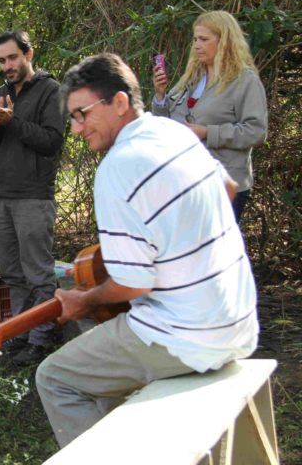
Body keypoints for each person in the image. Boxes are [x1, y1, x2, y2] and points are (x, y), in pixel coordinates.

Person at [36, 53, 259, 448]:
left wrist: (82, 301)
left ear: (119, 103)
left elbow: (132, 284)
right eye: (72, 118)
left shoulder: (118, 166)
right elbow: (227, 190)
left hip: (188, 336)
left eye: (82, 114)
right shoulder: (173, 132)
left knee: (56, 377)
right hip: (239, 320)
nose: (75, 129)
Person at [0, 31, 65, 365]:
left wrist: (12, 122)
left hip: (33, 196)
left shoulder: (50, 90)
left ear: (29, 53)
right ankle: (20, 333)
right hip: (3, 198)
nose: (7, 66)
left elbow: (51, 142)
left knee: (38, 273)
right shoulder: (0, 94)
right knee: (12, 273)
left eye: (13, 57)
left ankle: (41, 339)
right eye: (1, 60)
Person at [152, 10, 268, 222]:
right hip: (187, 179)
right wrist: (160, 97)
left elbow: (256, 131)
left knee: (213, 251)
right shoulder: (193, 77)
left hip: (225, 184)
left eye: (204, 39)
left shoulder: (245, 81)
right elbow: (167, 123)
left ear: (224, 41)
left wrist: (208, 132)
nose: (197, 45)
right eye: (195, 39)